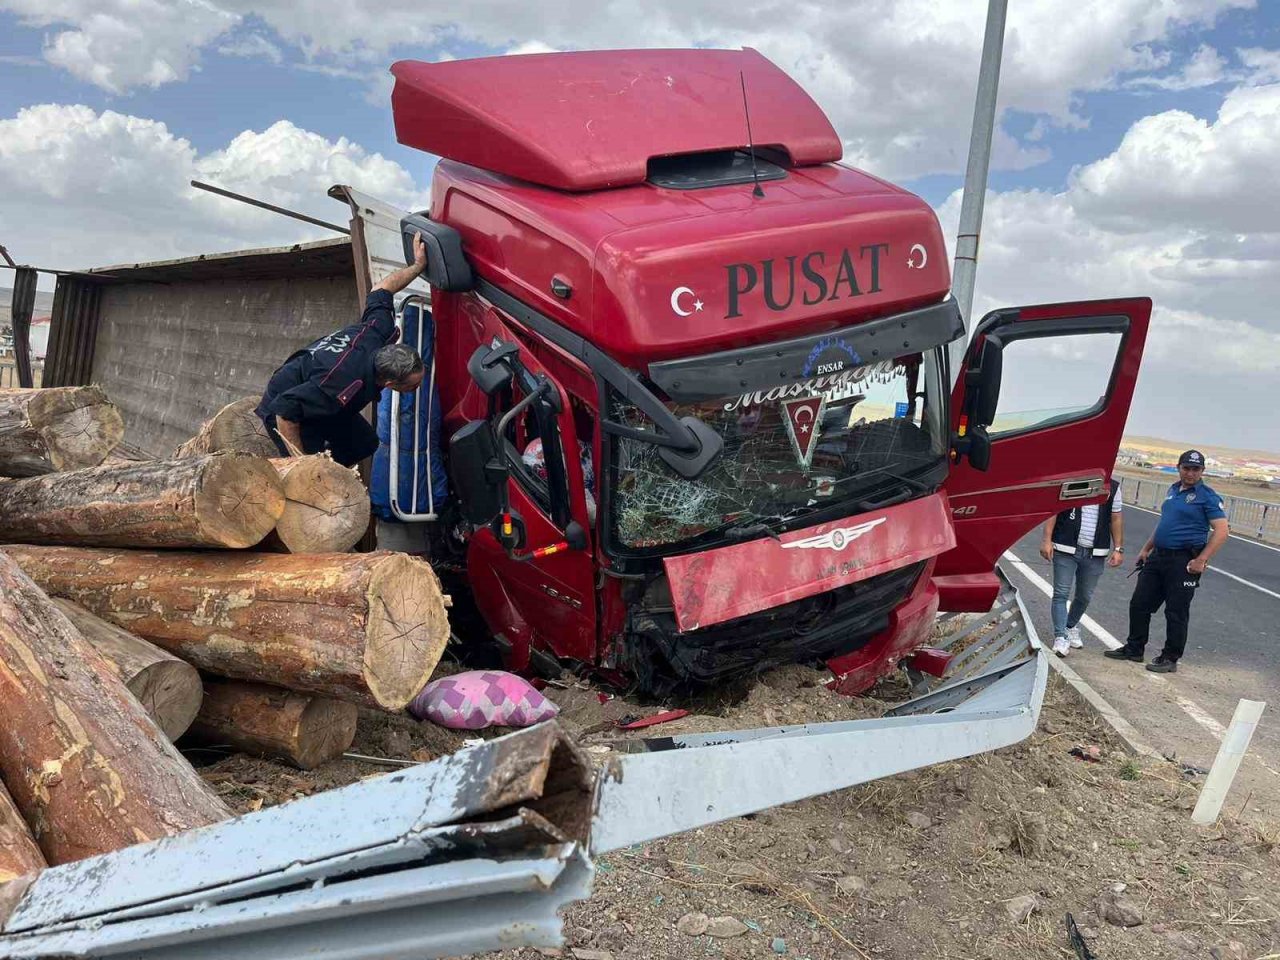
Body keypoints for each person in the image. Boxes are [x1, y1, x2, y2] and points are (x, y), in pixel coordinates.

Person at [256, 233, 429, 467]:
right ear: (389, 384)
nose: (417, 388)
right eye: (413, 386)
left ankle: (336, 473)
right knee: (314, 471)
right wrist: (303, 463)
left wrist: (418, 266)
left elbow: (382, 289)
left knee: (365, 443)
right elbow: (285, 410)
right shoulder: (342, 382)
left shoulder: (378, 330)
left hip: (320, 391)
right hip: (287, 403)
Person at [1104, 450, 1229, 673]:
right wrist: (1146, 549)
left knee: (1176, 611)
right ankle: (1134, 648)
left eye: (1195, 469)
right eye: (1186, 468)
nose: (1190, 473)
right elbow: (1165, 523)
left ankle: (1170, 657)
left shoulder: (1208, 497)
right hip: (1158, 556)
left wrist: (1201, 559)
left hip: (1183, 560)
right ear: (1179, 467)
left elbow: (1221, 531)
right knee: (1140, 603)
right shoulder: (1173, 490)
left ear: (1202, 471)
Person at [1039, 478, 1125, 657]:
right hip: (1065, 547)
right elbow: (1054, 510)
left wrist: (1118, 548)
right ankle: (1060, 636)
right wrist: (1047, 540)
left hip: (1096, 552)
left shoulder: (1113, 487)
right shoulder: (1073, 479)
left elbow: (1115, 518)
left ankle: (1070, 626)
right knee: (1061, 593)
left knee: (1085, 596)